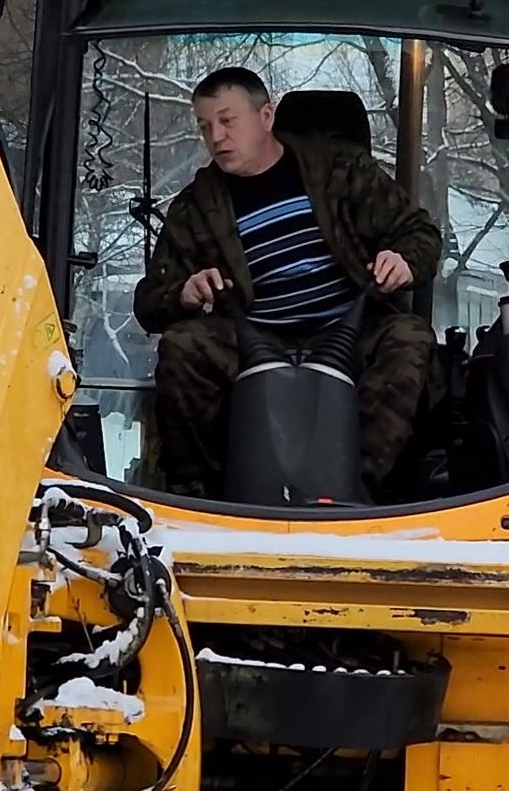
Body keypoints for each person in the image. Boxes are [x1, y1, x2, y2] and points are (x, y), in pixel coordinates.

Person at [132, 66, 441, 498]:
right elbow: (149, 302)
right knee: (183, 347)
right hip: (252, 340)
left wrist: (404, 260)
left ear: (266, 116)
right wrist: (182, 293)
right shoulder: (197, 206)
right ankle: (202, 494)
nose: (216, 137)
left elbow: (420, 234)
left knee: (409, 339)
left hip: (350, 331)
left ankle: (357, 490)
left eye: (227, 120)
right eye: (205, 126)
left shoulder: (340, 172)